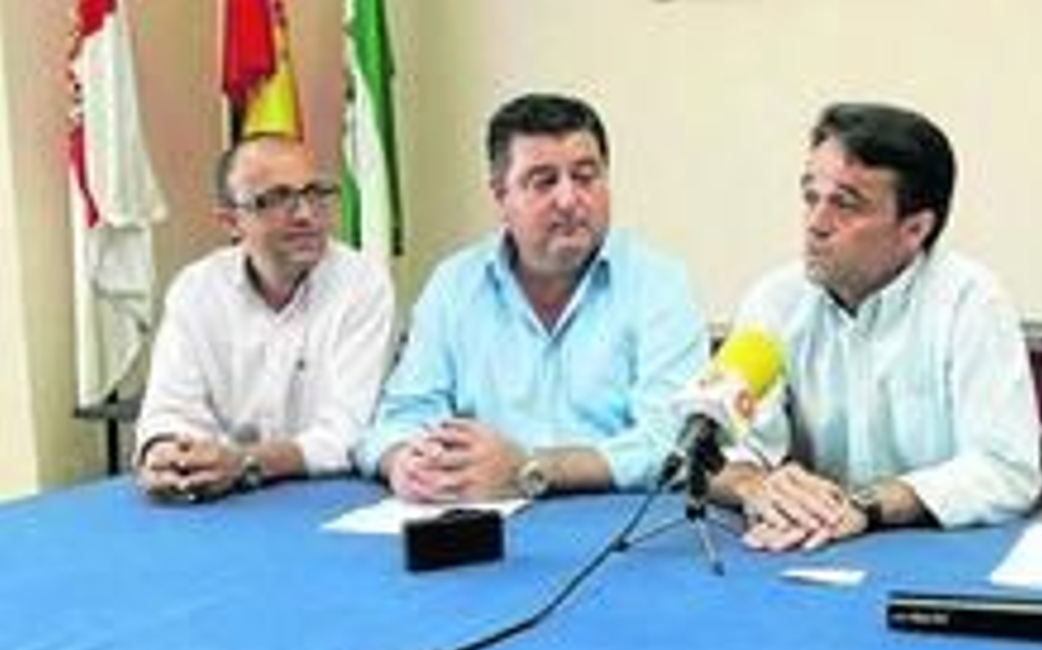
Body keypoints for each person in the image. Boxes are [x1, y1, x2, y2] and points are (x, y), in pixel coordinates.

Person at [711, 102, 1042, 552]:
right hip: (812, 550)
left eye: (844, 205)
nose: (816, 224)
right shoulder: (773, 301)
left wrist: (869, 506)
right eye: (811, 197)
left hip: (935, 554)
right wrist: (755, 486)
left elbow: (1007, 471)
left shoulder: (971, 301)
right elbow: (725, 451)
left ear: (915, 228)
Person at [357, 93, 707, 503]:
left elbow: (674, 443)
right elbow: (402, 417)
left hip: (611, 524)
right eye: (543, 181)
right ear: (500, 196)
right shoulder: (454, 286)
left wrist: (530, 468)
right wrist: (405, 463)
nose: (569, 199)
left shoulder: (659, 284)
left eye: (585, 176)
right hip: (480, 519)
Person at [134, 134, 395, 502]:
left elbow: (348, 432)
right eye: (276, 199)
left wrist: (245, 463)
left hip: (326, 498)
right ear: (230, 222)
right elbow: (170, 410)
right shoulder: (196, 290)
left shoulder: (361, 284)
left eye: (315, 193)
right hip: (216, 502)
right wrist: (164, 453)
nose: (305, 214)